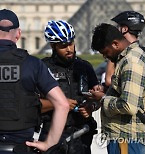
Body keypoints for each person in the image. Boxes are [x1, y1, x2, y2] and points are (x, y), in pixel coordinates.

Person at [0, 9, 69, 153]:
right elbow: (62, 104)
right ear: (18, 34)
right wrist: (49, 144)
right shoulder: (32, 64)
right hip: (21, 145)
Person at [90, 23, 145, 154]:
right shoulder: (129, 58)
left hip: (126, 138)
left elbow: (128, 105)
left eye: (105, 52)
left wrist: (103, 98)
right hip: (125, 137)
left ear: (115, 44)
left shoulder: (131, 62)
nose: (105, 57)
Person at [39, 20, 100, 154]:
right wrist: (59, 104)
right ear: (53, 46)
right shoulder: (41, 68)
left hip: (81, 135)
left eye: (71, 43)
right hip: (52, 134)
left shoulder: (85, 67)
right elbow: (31, 103)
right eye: (63, 45)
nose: (69, 49)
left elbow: (97, 98)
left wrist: (92, 106)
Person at [104, 11, 145, 89]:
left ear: (125, 29)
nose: (116, 30)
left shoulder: (119, 51)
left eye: (118, 27)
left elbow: (108, 80)